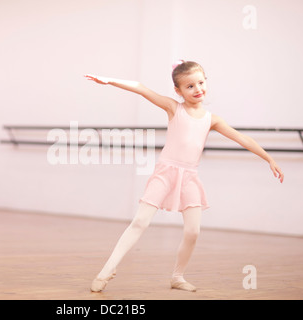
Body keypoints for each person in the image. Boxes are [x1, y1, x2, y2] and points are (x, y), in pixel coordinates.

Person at [84, 60, 284, 292]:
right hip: (165, 173)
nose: (197, 89)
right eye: (189, 86)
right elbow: (140, 87)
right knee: (140, 221)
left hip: (189, 177)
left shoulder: (213, 119)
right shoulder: (173, 108)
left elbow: (243, 139)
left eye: (200, 83)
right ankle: (107, 269)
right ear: (178, 91)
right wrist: (109, 81)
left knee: (193, 231)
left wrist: (269, 158)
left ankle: (177, 277)